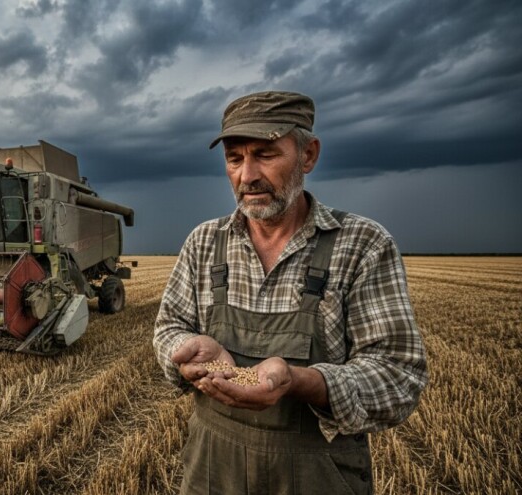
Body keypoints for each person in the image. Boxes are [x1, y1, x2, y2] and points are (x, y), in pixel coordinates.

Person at [153, 91, 427, 494]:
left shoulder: (363, 245)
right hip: (213, 473)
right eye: (234, 158)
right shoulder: (203, 242)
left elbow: (398, 375)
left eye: (265, 154)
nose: (247, 176)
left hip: (317, 478)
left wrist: (301, 381)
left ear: (308, 155)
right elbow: (168, 328)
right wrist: (186, 349)